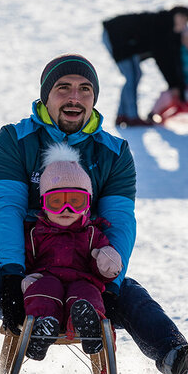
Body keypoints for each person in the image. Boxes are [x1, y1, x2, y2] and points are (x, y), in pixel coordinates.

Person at [0, 53, 188, 374]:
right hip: (26, 273)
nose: (74, 97)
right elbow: (6, 208)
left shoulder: (112, 152)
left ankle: (180, 361)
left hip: (89, 277)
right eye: (63, 88)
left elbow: (120, 221)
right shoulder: (15, 140)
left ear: (94, 98)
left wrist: (110, 282)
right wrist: (11, 272)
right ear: (46, 96)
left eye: (85, 89)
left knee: (130, 293)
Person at [20, 143, 123, 359]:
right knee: (45, 288)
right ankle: (42, 329)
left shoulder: (92, 234)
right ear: (43, 204)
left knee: (87, 293)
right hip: (46, 279)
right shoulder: (34, 233)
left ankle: (88, 326)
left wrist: (107, 263)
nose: (67, 210)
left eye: (75, 201)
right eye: (56, 202)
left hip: (82, 282)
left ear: (87, 205)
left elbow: (103, 259)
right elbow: (26, 260)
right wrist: (25, 280)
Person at [102, 6, 188, 127]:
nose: (182, 23)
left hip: (127, 42)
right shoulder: (162, 26)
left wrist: (176, 85)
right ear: (175, 15)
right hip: (116, 35)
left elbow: (172, 60)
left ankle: (122, 115)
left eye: (185, 21)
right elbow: (163, 60)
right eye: (181, 18)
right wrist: (174, 85)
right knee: (132, 76)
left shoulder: (170, 34)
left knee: (135, 74)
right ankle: (131, 117)